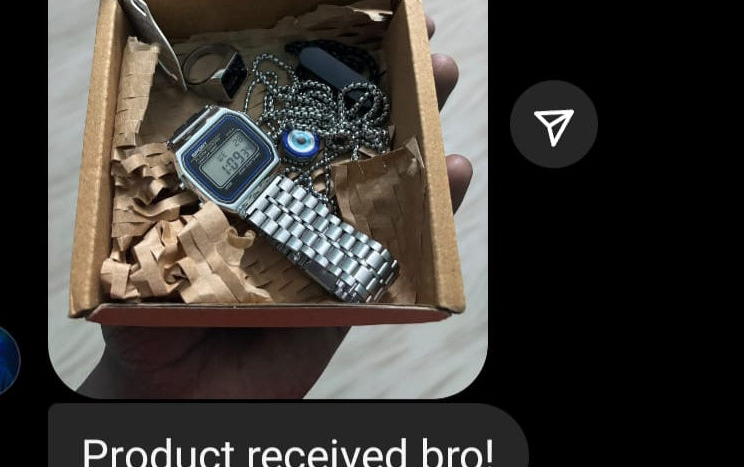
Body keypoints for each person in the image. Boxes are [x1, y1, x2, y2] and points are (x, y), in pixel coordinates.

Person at [79, 15, 473, 400]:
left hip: (270, 181)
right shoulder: (199, 163)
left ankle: (367, 270)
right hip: (249, 199)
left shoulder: (224, 134)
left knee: (307, 226)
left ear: (253, 139)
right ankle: (359, 275)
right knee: (298, 232)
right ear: (196, 186)